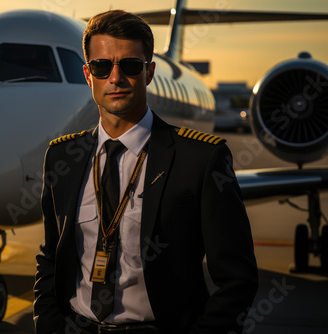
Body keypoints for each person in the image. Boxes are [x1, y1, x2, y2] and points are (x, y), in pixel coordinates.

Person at [34, 9, 258, 334]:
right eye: (101, 66)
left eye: (130, 65)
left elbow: (237, 280)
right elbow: (51, 257)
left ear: (149, 72)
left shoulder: (200, 159)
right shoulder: (61, 157)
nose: (115, 78)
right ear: (87, 74)